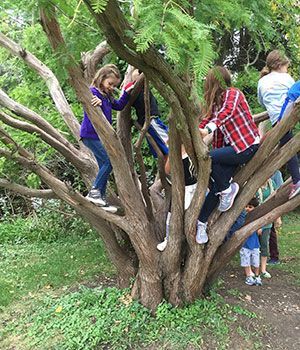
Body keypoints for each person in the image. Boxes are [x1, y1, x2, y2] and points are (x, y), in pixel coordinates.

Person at [197, 66, 260, 243]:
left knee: (208, 158)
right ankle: (201, 224)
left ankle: (227, 189)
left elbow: (227, 112)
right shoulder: (215, 104)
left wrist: (207, 129)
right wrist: (197, 131)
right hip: (232, 149)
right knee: (216, 187)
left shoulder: (234, 94)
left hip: (246, 146)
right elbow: (207, 118)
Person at [80, 64, 134, 212]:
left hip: (99, 137)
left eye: (114, 85)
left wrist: (127, 92)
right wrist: (95, 103)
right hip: (90, 135)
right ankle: (95, 192)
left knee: (104, 163)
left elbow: (119, 106)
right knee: (108, 162)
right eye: (110, 84)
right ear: (102, 78)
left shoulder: (107, 96)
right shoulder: (93, 92)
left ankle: (99, 198)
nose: (111, 87)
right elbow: (89, 104)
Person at [257, 50, 300, 199]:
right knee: (288, 149)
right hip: (287, 115)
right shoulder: (286, 77)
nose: (287, 69)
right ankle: (297, 179)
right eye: (286, 66)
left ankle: (297, 179)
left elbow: (261, 101)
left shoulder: (262, 81)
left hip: (276, 118)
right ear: (281, 65)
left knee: (286, 147)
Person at [157, 145, 197, 251]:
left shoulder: (195, 144)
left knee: (192, 216)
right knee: (173, 213)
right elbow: (167, 170)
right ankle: (168, 239)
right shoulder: (174, 148)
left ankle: (190, 241)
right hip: (183, 189)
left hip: (196, 188)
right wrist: (172, 153)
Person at [131, 69, 169, 159]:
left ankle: (167, 172)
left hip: (152, 122)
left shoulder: (144, 89)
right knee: (169, 145)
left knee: (163, 151)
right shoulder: (136, 91)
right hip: (151, 122)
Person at [256, 178, 281, 278]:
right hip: (255, 219)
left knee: (264, 245)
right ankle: (254, 268)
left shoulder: (272, 183)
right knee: (254, 246)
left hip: (267, 220)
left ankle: (263, 269)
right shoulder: (255, 184)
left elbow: (276, 200)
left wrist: (278, 217)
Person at [240, 197, 262, 286]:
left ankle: (257, 276)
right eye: (246, 206)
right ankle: (248, 276)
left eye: (250, 207)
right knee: (246, 261)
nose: (247, 208)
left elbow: (260, 230)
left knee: (256, 262)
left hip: (255, 244)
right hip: (245, 244)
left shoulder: (257, 218)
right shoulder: (243, 217)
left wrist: (259, 228)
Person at [268, 170, 284, 265]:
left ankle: (274, 256)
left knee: (271, 232)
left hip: (271, 207)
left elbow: (280, 192)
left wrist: (278, 215)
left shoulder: (276, 173)